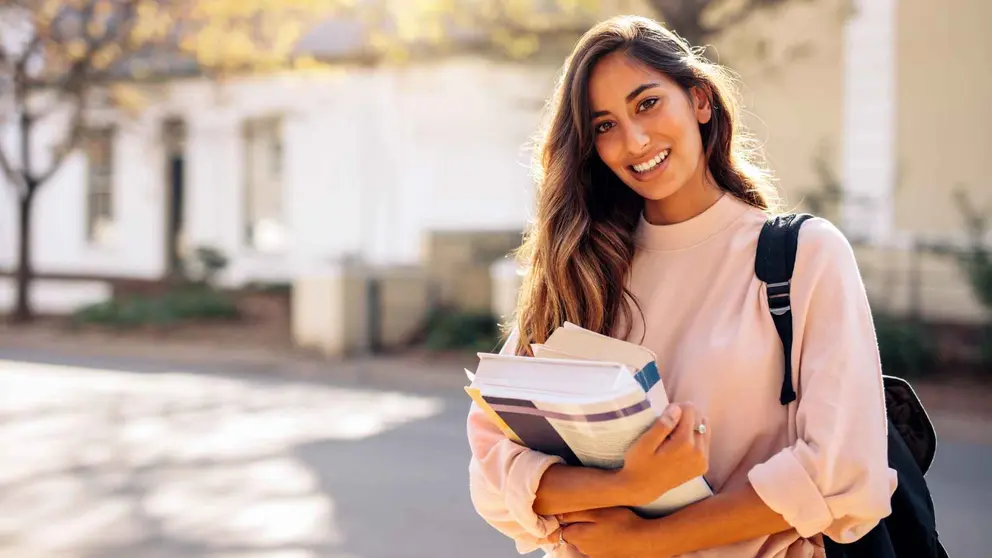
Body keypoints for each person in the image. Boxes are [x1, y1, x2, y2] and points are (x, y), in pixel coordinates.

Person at [465, 14, 898, 558]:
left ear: (699, 101)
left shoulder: (802, 257)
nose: (634, 140)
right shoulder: (584, 269)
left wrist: (646, 540)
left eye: (647, 104)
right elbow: (493, 465)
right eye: (604, 126)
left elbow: (839, 469)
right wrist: (629, 486)